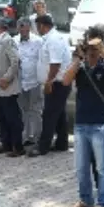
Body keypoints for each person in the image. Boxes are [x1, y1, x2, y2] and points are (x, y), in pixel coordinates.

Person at [63, 26, 104, 207]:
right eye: (90, 44)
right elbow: (65, 81)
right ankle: (86, 200)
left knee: (102, 168)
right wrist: (78, 58)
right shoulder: (80, 65)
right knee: (81, 167)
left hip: (100, 123)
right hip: (81, 123)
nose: (92, 50)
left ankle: (103, 205)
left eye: (96, 45)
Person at [30, 14, 73, 156]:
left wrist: (49, 81)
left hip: (57, 83)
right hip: (57, 82)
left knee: (49, 114)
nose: (37, 30)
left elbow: (55, 63)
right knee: (59, 113)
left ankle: (43, 146)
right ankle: (62, 143)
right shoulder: (51, 38)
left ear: (42, 25)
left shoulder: (53, 40)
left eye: (37, 26)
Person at [0, 17, 24, 156]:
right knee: (2, 116)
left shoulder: (7, 40)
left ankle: (17, 146)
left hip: (7, 86)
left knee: (12, 117)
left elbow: (15, 61)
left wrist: (7, 78)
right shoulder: (0, 41)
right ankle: (6, 143)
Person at [16, 18, 44, 146]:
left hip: (35, 82)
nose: (24, 31)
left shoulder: (38, 41)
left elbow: (43, 60)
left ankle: (38, 137)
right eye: (21, 29)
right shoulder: (14, 41)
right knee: (23, 110)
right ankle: (25, 136)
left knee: (36, 110)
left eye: (26, 29)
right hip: (20, 82)